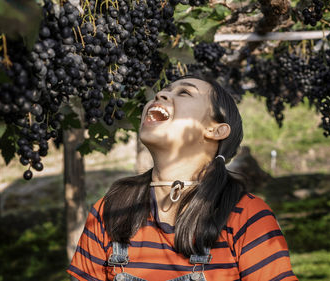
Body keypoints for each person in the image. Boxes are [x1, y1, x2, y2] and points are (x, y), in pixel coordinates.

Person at [67, 76, 298, 281]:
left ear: (215, 130)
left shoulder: (246, 216)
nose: (160, 94)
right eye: (164, 90)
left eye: (185, 92)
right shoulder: (110, 211)